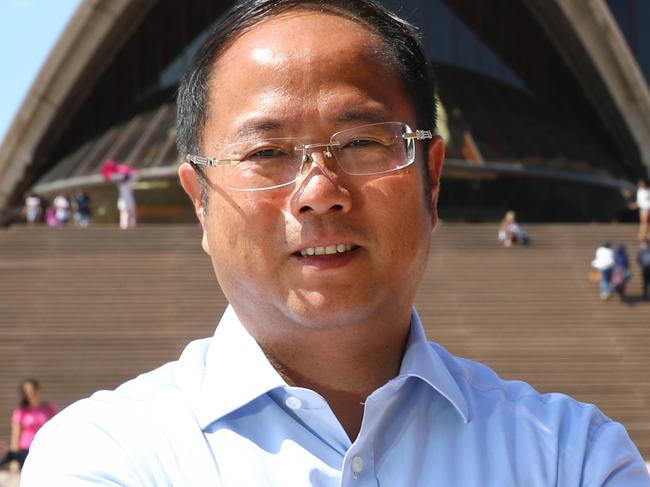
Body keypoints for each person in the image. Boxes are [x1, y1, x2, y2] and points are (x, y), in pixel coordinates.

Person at [22, 1, 649, 485]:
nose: (319, 192)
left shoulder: (573, 456)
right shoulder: (106, 455)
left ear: (432, 179)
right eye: (266, 153)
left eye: (361, 144)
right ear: (200, 199)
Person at [0, 380, 57, 473]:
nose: (30, 393)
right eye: (26, 390)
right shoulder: (21, 411)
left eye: (32, 389)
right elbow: (15, 435)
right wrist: (14, 459)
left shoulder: (49, 408)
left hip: (44, 448)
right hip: (26, 450)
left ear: (38, 390)